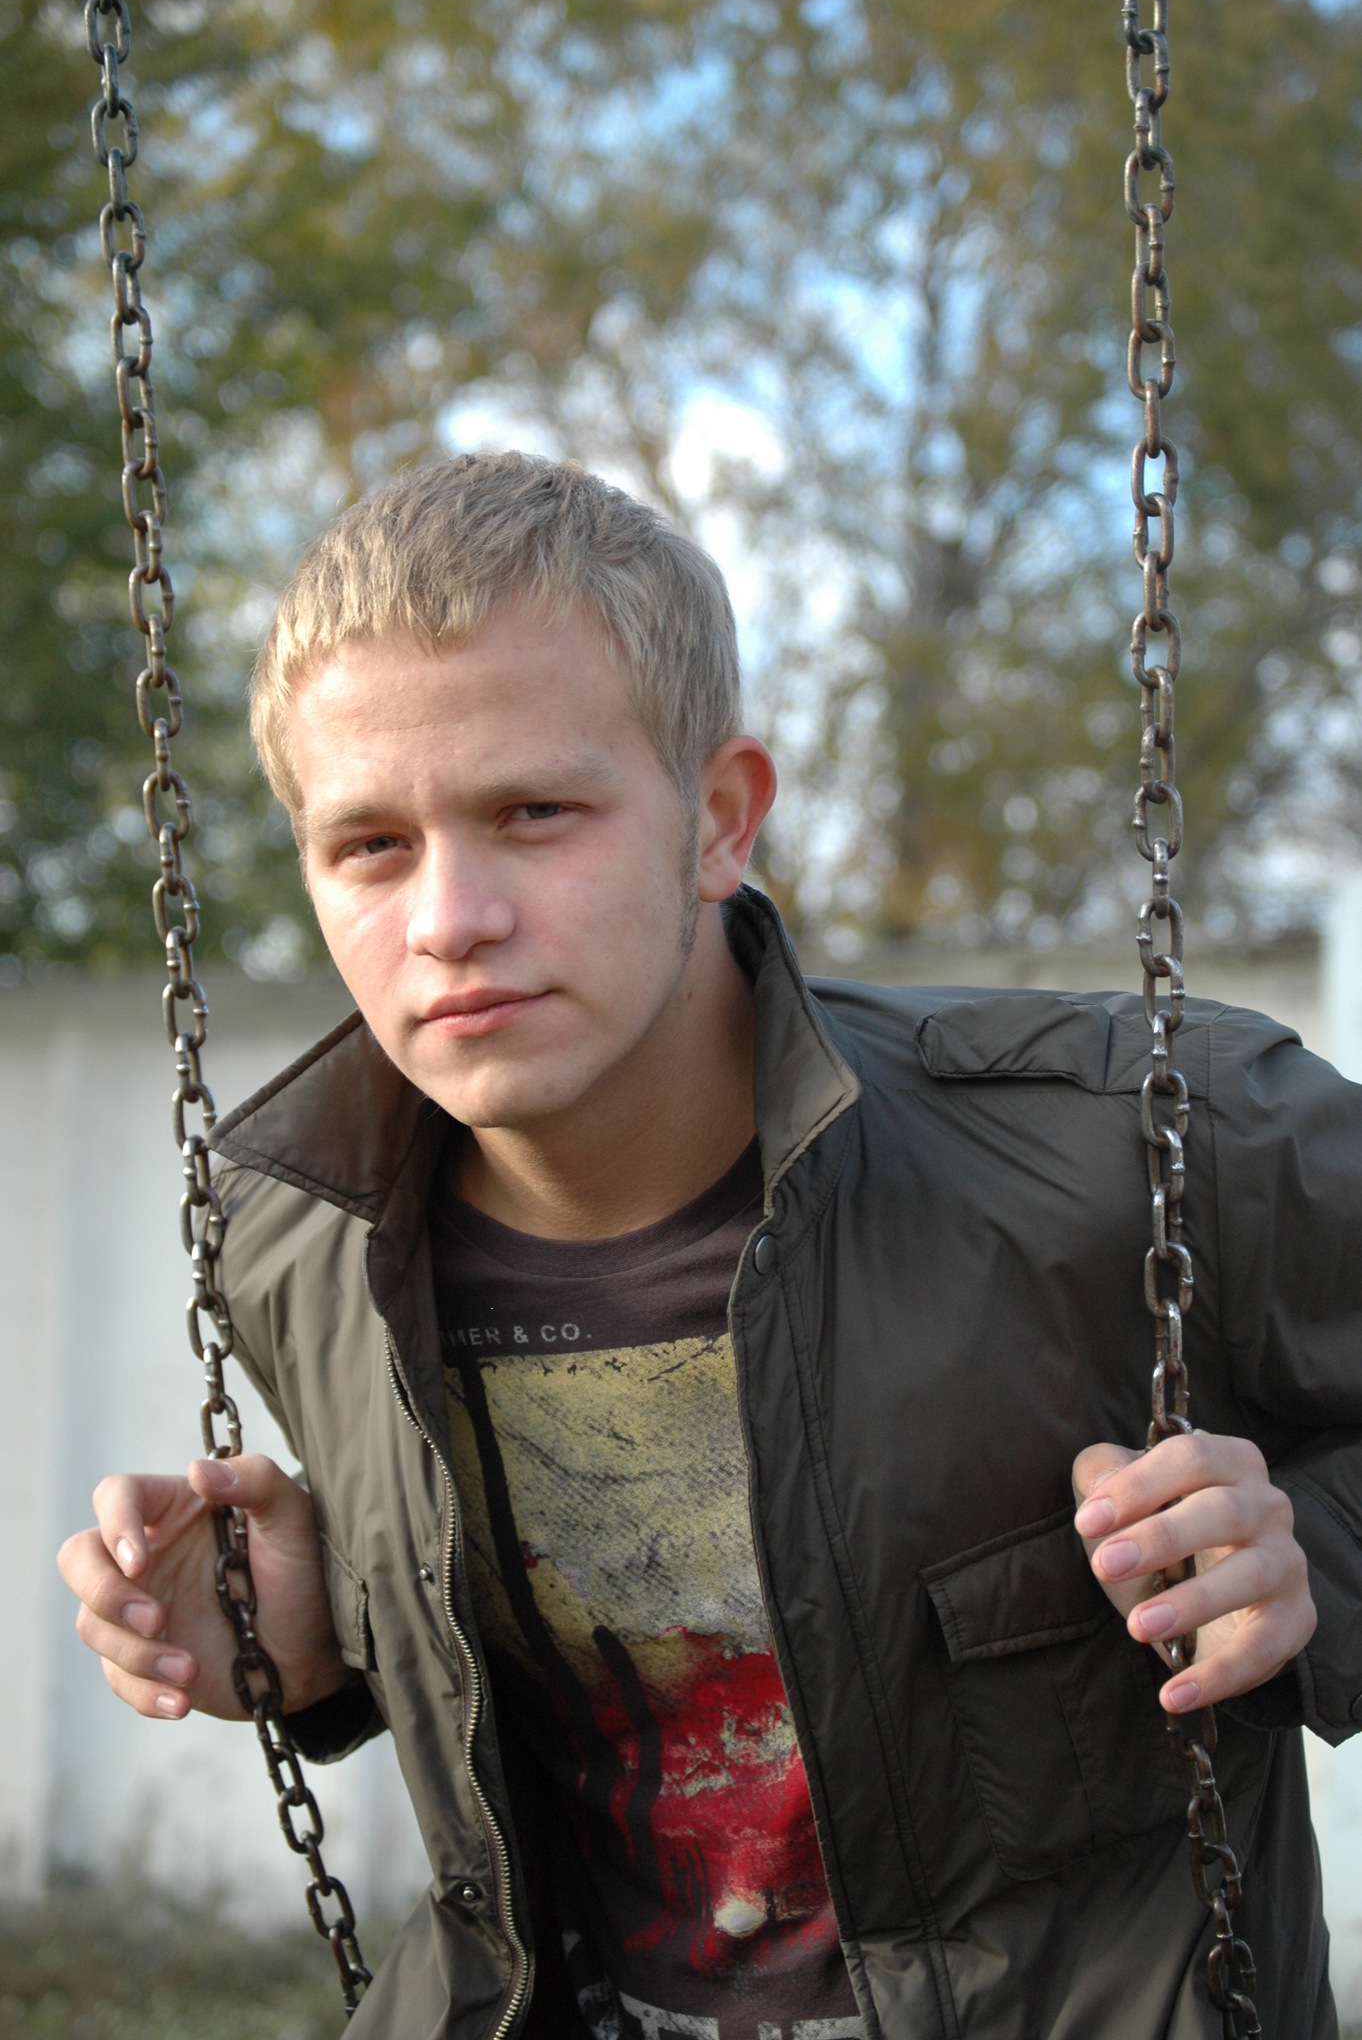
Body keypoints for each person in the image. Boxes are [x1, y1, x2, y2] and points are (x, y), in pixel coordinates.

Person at [58, 452, 1359, 2040]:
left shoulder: (1135, 1140)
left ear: (718, 818)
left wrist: (1305, 1557)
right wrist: (323, 1635)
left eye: (534, 814)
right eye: (371, 846)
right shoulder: (303, 1247)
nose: (449, 919)